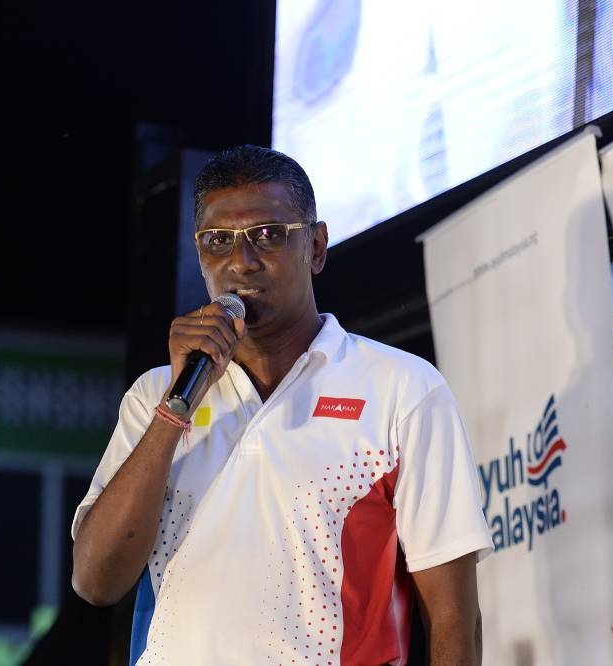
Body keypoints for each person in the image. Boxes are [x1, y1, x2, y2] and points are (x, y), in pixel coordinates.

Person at [72, 145, 493, 665]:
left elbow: (454, 617)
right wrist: (174, 407)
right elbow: (95, 580)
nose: (241, 262)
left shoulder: (401, 389)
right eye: (219, 241)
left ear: (316, 247)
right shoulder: (155, 394)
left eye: (269, 236)